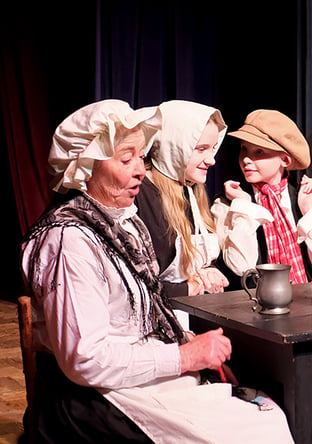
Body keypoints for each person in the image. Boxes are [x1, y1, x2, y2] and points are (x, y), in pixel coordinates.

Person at [20, 99, 294, 443]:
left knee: (263, 415)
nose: (140, 169)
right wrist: (182, 356)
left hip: (132, 379)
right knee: (247, 432)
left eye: (140, 156)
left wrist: (187, 344)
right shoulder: (69, 241)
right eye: (125, 159)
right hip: (92, 398)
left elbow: (142, 311)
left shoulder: (123, 222)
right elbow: (84, 360)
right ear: (86, 168)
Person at [211, 109, 312, 283]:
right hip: (254, 304)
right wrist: (244, 206)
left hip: (308, 301)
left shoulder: (308, 197)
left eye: (259, 152)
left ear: (285, 160)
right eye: (244, 149)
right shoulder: (229, 203)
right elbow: (240, 267)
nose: (246, 159)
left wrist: (308, 212)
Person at [135, 100, 229, 298]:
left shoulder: (191, 190)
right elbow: (133, 284)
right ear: (173, 148)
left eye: (212, 148)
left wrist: (206, 270)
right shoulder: (138, 194)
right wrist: (187, 288)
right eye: (200, 149)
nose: (211, 160)